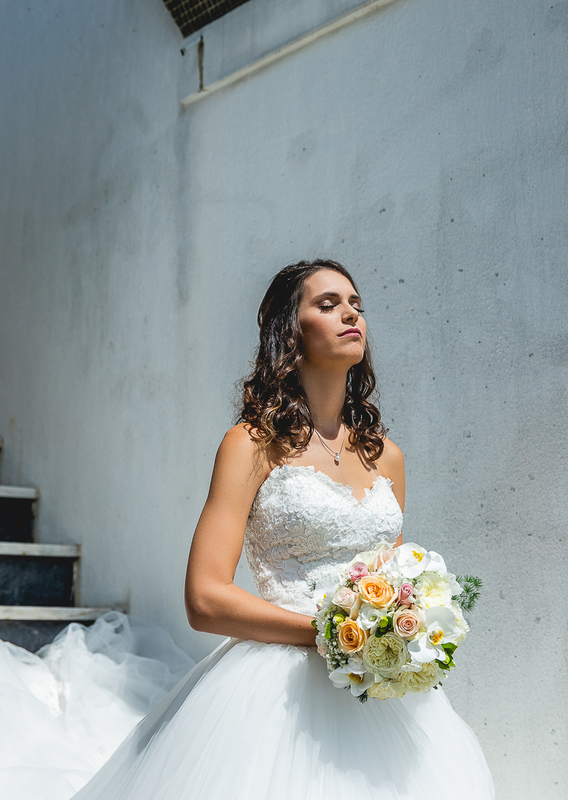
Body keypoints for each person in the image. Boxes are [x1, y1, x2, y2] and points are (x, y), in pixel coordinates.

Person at [70, 258, 494, 798]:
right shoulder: (250, 444)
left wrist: (397, 624)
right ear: (289, 333)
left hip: (377, 690)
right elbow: (204, 599)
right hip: (276, 692)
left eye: (356, 305)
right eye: (328, 304)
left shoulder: (387, 457)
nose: (351, 315)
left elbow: (393, 575)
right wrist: (331, 634)